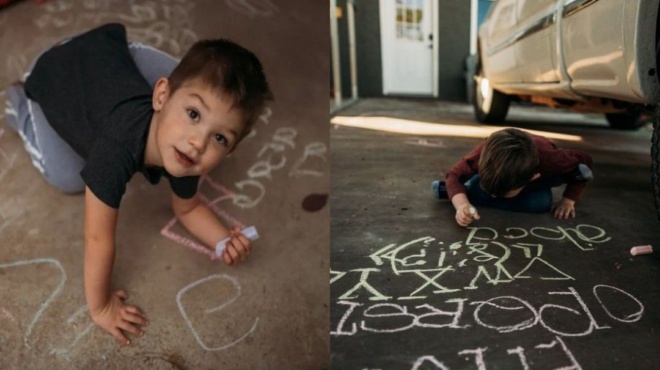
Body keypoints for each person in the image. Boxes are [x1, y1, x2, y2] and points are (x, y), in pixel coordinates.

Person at [4, 23, 272, 345]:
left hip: (105, 70)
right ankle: (20, 104)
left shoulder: (186, 152)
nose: (197, 142)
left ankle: (192, 104)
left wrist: (221, 240)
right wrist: (101, 306)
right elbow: (97, 238)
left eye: (219, 137)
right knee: (66, 176)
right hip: (57, 73)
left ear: (231, 149)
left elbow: (188, 208)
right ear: (160, 96)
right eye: (193, 114)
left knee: (206, 90)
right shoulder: (114, 151)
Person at [432, 128, 593, 227]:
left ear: (532, 177)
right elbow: (454, 174)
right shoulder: (483, 153)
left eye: (505, 194)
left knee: (540, 203)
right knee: (477, 188)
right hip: (509, 176)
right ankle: (464, 191)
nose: (496, 197)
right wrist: (462, 205)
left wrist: (569, 199)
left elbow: (584, 164)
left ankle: (457, 191)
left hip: (544, 176)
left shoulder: (556, 160)